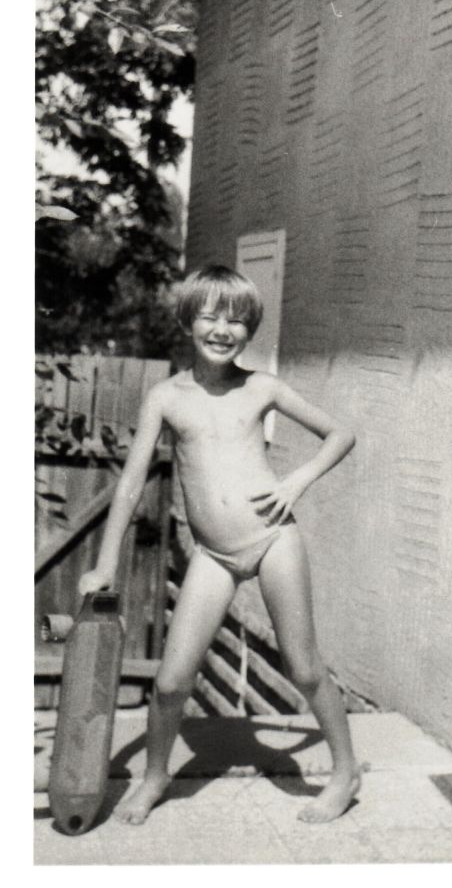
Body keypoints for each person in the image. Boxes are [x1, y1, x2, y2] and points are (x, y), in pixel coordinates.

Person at [79, 264, 361, 825]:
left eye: (236, 319)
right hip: (213, 555)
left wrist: (295, 481)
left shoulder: (262, 387)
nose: (223, 329)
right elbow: (132, 483)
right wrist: (105, 564)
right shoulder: (165, 397)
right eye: (210, 315)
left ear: (250, 329)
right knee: (170, 680)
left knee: (304, 668)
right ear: (188, 320)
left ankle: (344, 770)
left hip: (273, 538)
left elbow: (341, 433)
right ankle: (156, 775)